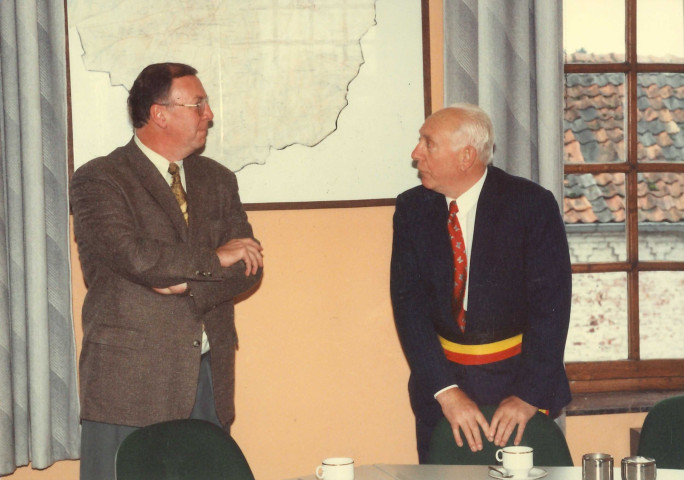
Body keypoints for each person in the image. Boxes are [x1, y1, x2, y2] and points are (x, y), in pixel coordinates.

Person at [70, 63, 264, 480]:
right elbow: (135, 256)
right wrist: (214, 260)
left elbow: (248, 266)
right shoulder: (100, 179)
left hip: (208, 378)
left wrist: (183, 284)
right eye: (198, 104)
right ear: (160, 113)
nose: (209, 114)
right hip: (130, 382)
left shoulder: (218, 179)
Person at [390, 103, 571, 463]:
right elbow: (409, 308)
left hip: (519, 384)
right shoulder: (412, 209)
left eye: (428, 143)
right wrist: (446, 391)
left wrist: (528, 396)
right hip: (443, 386)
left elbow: (551, 309)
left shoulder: (530, 205)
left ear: (466, 156)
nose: (416, 153)